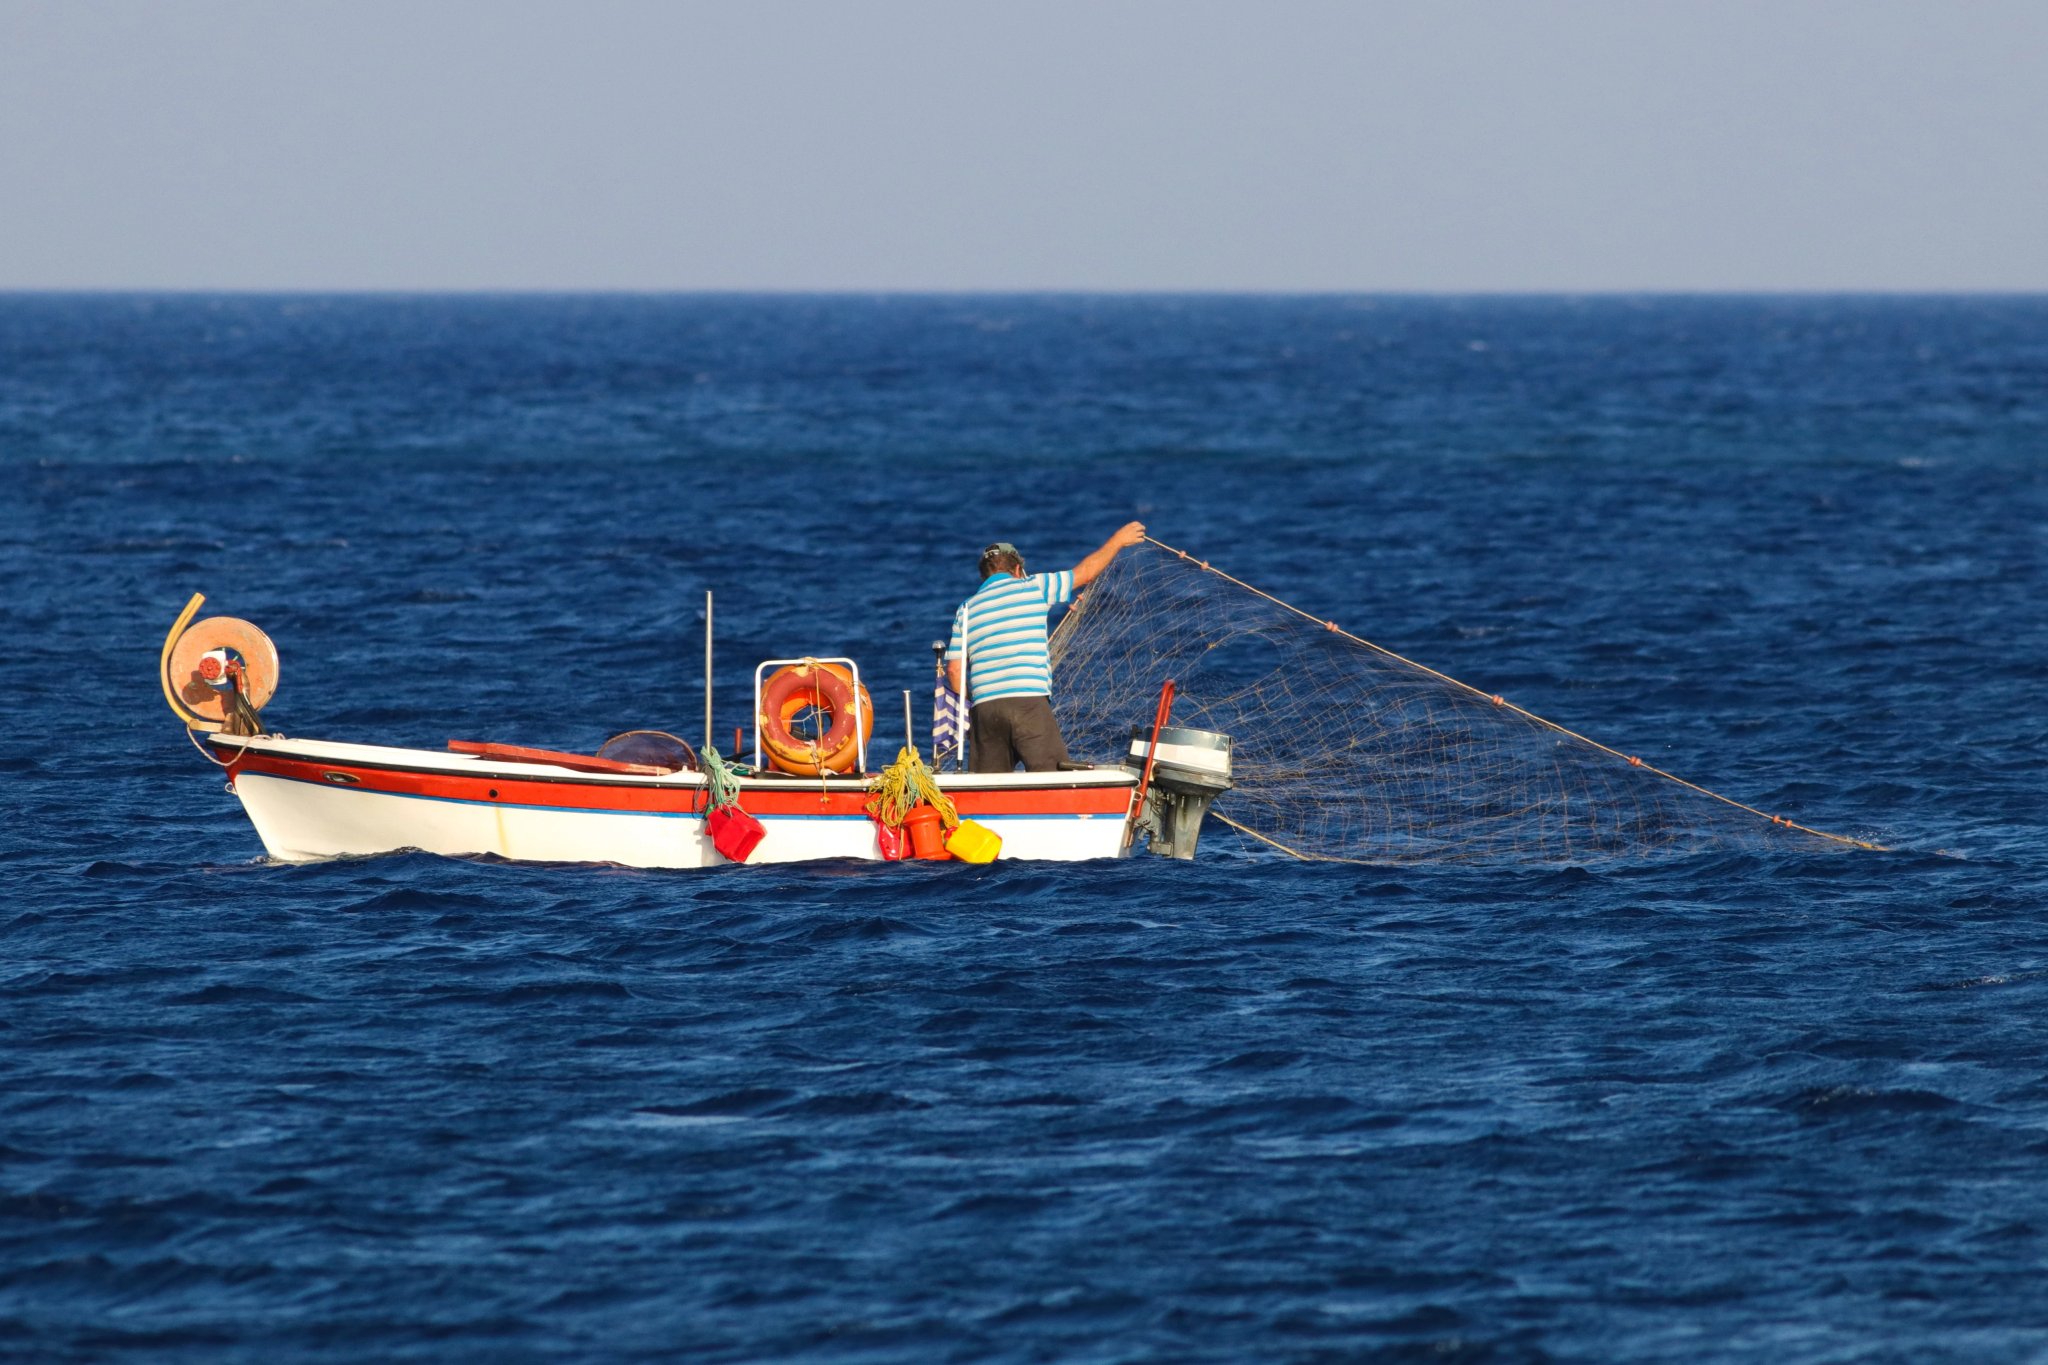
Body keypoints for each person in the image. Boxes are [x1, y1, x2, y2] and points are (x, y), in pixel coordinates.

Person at [945, 521, 1147, 773]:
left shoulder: (966, 609)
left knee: (990, 789)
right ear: (1018, 569)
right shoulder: (1035, 586)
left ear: (984, 576)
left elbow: (954, 672)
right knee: (1052, 779)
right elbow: (1085, 573)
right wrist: (1118, 540)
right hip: (1028, 705)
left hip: (985, 710)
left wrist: (979, 697)